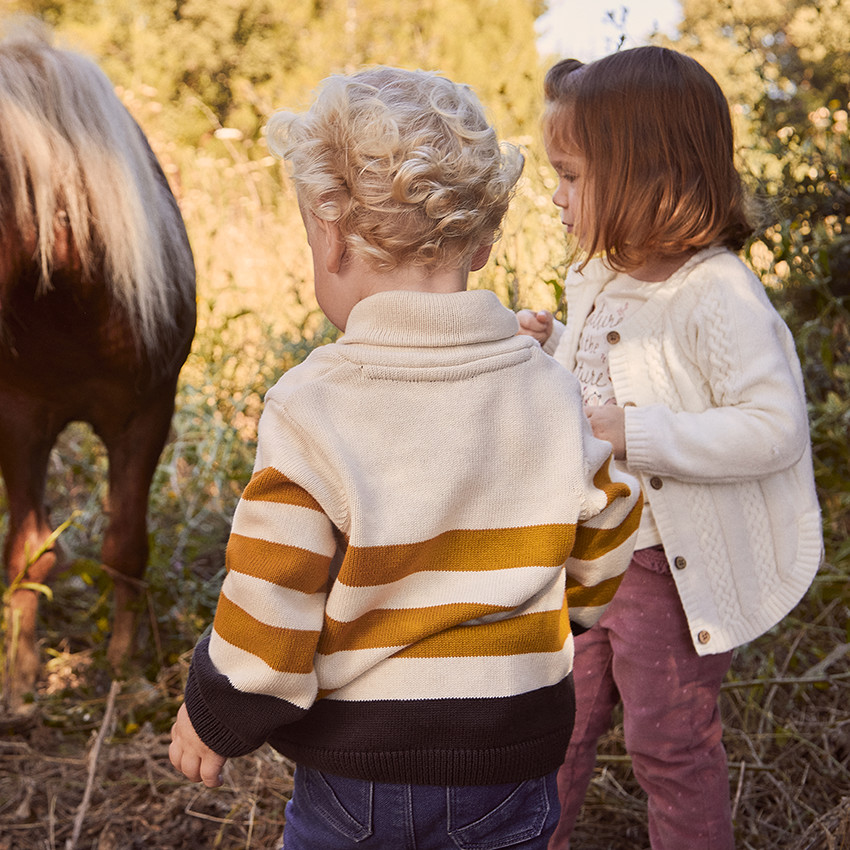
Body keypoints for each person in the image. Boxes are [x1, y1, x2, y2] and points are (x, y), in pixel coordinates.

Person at [169, 66, 643, 849]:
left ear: (331, 235)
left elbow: (273, 595)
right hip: (509, 759)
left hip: (360, 771)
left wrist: (217, 711)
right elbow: (608, 528)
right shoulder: (548, 389)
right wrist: (564, 610)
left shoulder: (314, 404)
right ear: (483, 242)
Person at [517, 46, 823, 850]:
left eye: (571, 176)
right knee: (554, 725)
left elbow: (773, 426)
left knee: (669, 742)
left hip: (666, 571)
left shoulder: (715, 292)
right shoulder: (601, 278)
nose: (556, 196)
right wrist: (547, 350)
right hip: (588, 554)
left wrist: (639, 431)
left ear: (643, 175)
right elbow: (596, 387)